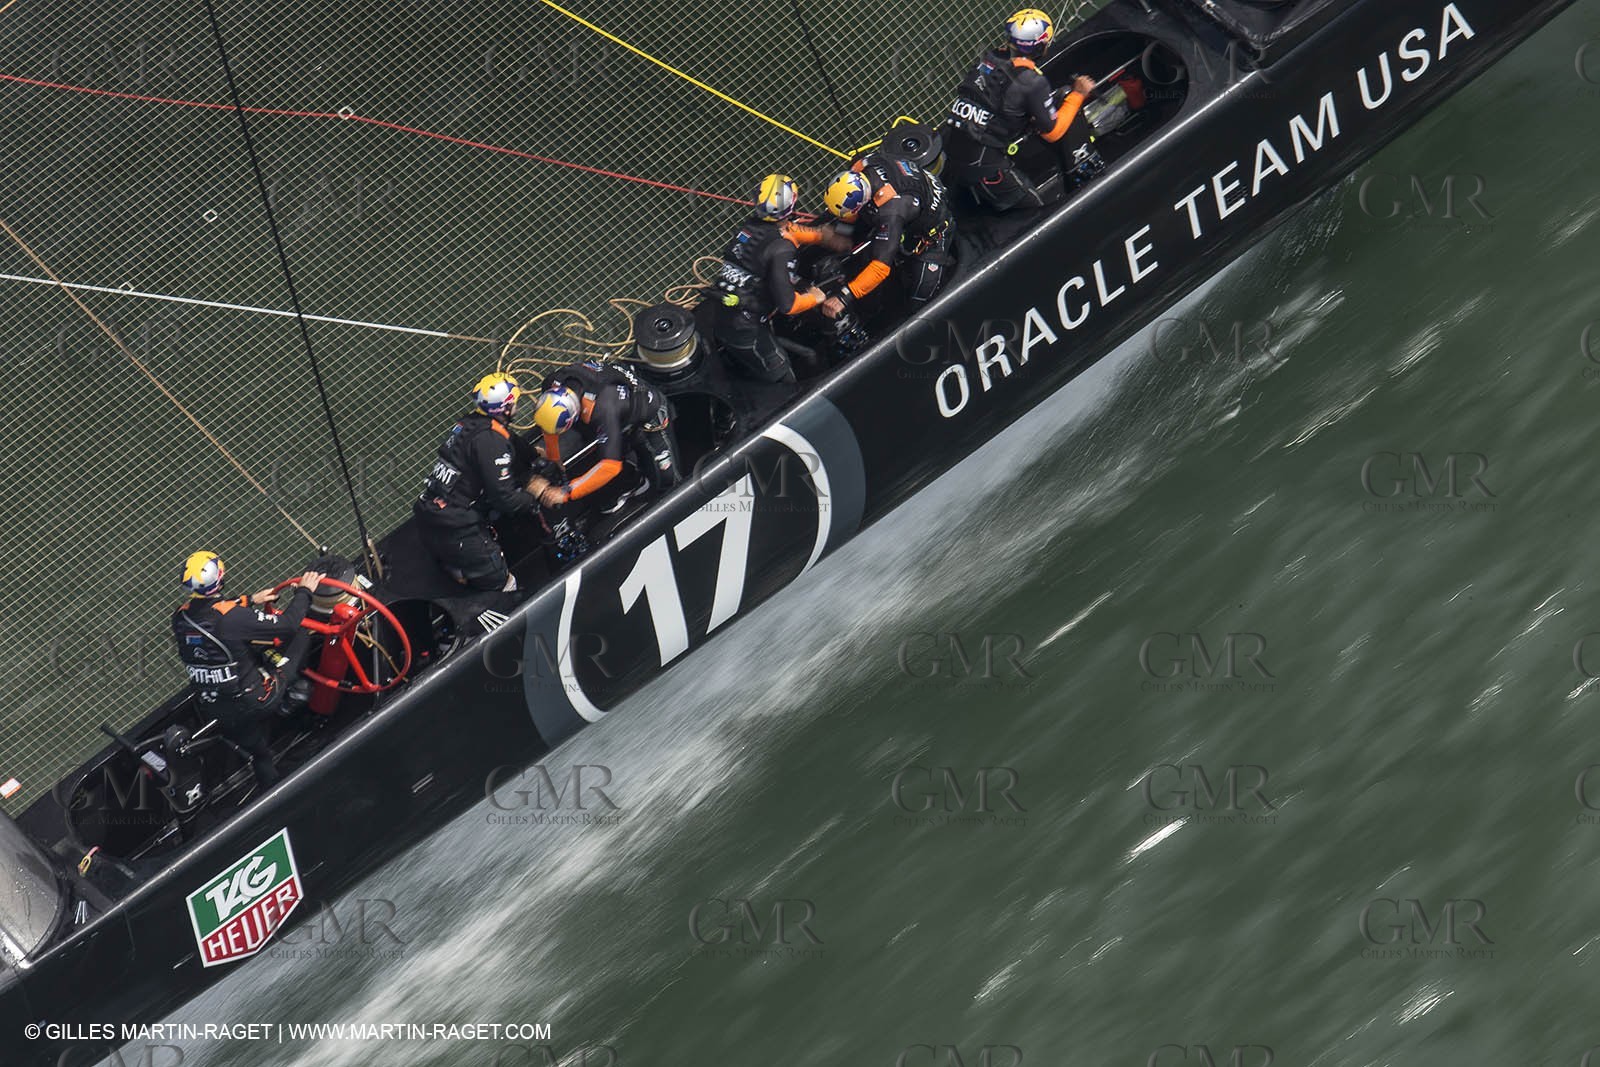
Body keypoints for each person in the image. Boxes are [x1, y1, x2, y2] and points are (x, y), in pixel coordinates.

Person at [171, 552, 326, 789]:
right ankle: (290, 702)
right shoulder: (233, 618)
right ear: (220, 578)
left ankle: (271, 792)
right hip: (255, 700)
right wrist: (305, 591)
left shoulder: (180, 617)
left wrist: (251, 599)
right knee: (301, 638)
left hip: (214, 707)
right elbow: (287, 627)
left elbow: (209, 611)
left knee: (259, 754)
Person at [940, 9, 1098, 214]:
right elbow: (1053, 132)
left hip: (952, 150)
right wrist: (1078, 94)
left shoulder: (989, 57)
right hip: (985, 167)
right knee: (1036, 212)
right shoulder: (1032, 82)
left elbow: (995, 98)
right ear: (1040, 45)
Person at [711, 173, 850, 384]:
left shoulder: (750, 227)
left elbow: (788, 230)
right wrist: (815, 297)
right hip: (745, 328)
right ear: (792, 204)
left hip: (725, 312)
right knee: (786, 373)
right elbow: (788, 305)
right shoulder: (782, 249)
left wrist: (821, 236)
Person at [413, 372, 543, 592]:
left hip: (430, 517)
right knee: (503, 584)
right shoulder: (490, 441)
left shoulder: (468, 424)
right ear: (505, 407)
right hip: (458, 531)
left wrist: (533, 455)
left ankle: (458, 571)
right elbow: (506, 499)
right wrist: (535, 496)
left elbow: (512, 443)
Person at [526, 358, 683, 515]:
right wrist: (554, 457)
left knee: (668, 479)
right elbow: (548, 426)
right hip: (617, 412)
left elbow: (610, 466)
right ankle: (631, 480)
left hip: (648, 414)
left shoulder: (604, 408)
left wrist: (566, 492)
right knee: (606, 449)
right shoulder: (552, 383)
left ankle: (676, 509)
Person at [818, 150, 954, 321]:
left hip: (933, 231)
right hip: (914, 189)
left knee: (923, 297)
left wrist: (844, 297)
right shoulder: (864, 164)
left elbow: (880, 268)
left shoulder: (892, 212)